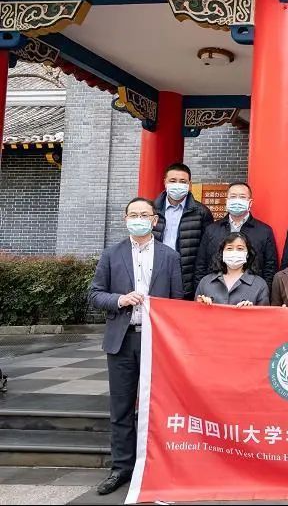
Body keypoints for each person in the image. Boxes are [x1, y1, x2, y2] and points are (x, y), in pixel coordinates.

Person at [88, 197, 184, 495]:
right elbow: (95, 294)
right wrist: (120, 299)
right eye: (133, 215)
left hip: (157, 341)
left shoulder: (170, 256)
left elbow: (177, 301)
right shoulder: (111, 254)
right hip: (123, 339)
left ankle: (157, 465)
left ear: (154, 220)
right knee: (121, 407)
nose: (139, 219)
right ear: (125, 218)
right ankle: (121, 467)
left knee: (158, 405)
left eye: (144, 215)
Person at [194, 182, 278, 290]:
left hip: (252, 293)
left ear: (250, 202)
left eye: (242, 197)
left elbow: (270, 267)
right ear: (227, 201)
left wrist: (264, 293)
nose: (237, 200)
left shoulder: (264, 231)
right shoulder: (212, 230)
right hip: (215, 291)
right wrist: (201, 291)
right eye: (233, 196)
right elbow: (201, 265)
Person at [153, 162, 214, 300]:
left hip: (186, 279)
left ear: (190, 185)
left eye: (182, 181)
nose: (177, 184)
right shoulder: (151, 210)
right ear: (165, 182)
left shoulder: (202, 212)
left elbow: (207, 251)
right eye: (172, 181)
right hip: (156, 274)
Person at [195, 232, 270, 307]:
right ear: (222, 253)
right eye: (229, 248)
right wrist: (201, 305)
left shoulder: (260, 285)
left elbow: (265, 313)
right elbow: (195, 311)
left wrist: (251, 311)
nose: (234, 252)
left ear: (247, 254)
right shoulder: (206, 282)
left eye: (240, 249)